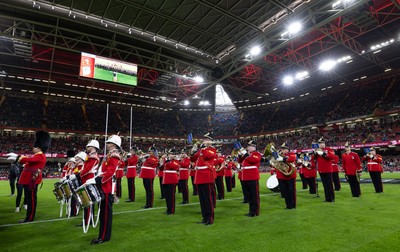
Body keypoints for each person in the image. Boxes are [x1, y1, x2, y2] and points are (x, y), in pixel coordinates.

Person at [90, 135, 121, 244]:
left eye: (109, 143)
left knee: (106, 214)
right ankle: (103, 235)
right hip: (104, 186)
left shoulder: (114, 156)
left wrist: (97, 180)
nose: (106, 144)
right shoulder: (109, 155)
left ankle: (103, 237)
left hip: (107, 187)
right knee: (103, 213)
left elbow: (110, 173)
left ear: (114, 144)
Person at [17, 130, 51, 223]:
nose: (33, 148)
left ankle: (30, 217)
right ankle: (28, 217)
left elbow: (28, 160)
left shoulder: (40, 156)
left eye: (34, 146)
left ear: (38, 147)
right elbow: (29, 162)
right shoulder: (37, 155)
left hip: (32, 180)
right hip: (29, 180)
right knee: (29, 199)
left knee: (31, 199)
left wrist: (19, 158)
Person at [191, 132, 217, 225]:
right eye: (204, 139)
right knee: (202, 199)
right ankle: (204, 217)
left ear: (211, 141)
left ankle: (210, 218)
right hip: (199, 176)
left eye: (206, 139)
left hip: (206, 175)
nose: (204, 140)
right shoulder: (202, 150)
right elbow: (192, 158)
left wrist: (203, 148)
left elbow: (207, 156)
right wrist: (194, 150)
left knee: (207, 198)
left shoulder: (212, 150)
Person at [238, 140, 262, 217]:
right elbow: (240, 161)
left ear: (254, 147)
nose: (248, 147)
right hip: (245, 177)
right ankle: (251, 211)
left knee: (254, 195)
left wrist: (245, 154)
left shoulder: (256, 154)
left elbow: (253, 160)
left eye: (250, 146)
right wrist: (240, 155)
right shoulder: (247, 154)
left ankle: (255, 211)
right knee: (249, 196)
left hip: (252, 176)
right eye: (248, 146)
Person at [80, 140, 100, 226]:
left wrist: (79, 175)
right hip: (86, 178)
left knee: (88, 201)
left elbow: (88, 169)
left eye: (88, 147)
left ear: (93, 147)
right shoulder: (90, 156)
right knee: (86, 200)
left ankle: (88, 220)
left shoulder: (93, 157)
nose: (87, 148)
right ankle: (87, 219)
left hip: (88, 179)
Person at [313, 137, 335, 202]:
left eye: (322, 143)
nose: (321, 144)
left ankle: (332, 198)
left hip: (328, 170)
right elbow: (313, 158)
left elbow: (332, 156)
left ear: (324, 143)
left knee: (329, 184)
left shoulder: (329, 149)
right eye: (320, 143)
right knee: (325, 185)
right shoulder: (317, 150)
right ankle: (327, 198)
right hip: (321, 170)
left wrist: (323, 154)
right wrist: (314, 153)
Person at [275, 143, 297, 209]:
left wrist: (283, 159)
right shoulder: (279, 155)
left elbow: (292, 158)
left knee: (291, 191)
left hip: (290, 176)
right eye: (282, 149)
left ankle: (293, 205)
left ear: (288, 149)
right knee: (285, 192)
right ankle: (288, 205)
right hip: (282, 176)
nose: (282, 150)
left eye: (284, 149)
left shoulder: (291, 154)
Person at [163, 148, 180, 214]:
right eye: (170, 154)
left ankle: (171, 210)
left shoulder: (176, 161)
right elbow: (161, 167)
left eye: (172, 154)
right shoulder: (168, 161)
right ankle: (168, 209)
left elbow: (173, 166)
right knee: (167, 196)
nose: (170, 155)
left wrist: (167, 161)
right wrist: (164, 160)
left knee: (171, 196)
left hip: (172, 180)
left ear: (175, 155)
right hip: (166, 179)